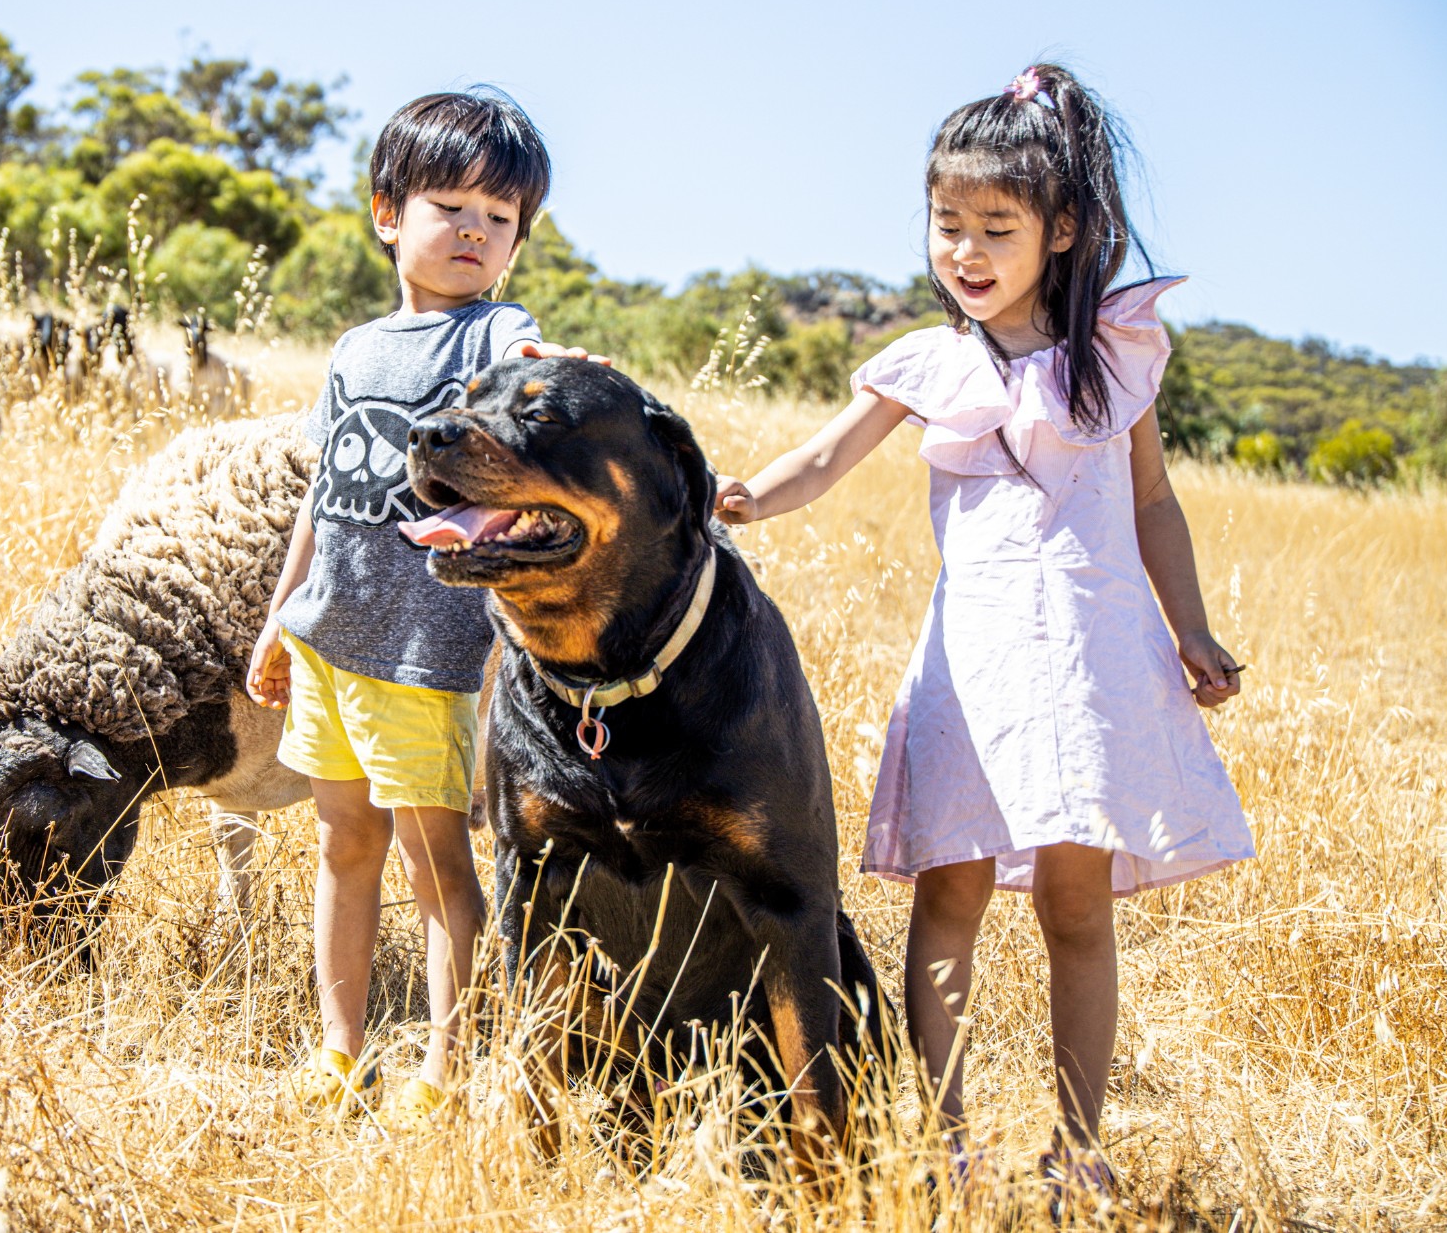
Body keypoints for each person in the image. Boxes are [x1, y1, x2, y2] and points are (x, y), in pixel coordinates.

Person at [715, 64, 1253, 1195]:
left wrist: (1189, 628)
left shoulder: (1115, 358)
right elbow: (822, 455)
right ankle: (942, 1140)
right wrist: (746, 497)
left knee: (1074, 904)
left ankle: (1077, 1149)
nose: (963, 250)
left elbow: (1152, 503)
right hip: (971, 661)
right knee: (947, 891)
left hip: (1093, 658)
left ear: (1058, 230)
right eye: (945, 222)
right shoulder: (925, 360)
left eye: (993, 227)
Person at [245, 88, 596, 1123]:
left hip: (421, 654)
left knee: (433, 856)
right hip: (329, 638)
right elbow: (324, 490)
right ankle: (339, 1053)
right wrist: (280, 612)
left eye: (501, 219)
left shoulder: (494, 332)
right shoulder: (356, 349)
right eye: (452, 206)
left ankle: (444, 1073)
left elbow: (529, 368)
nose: (476, 232)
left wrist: (554, 374)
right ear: (387, 214)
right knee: (339, 844)